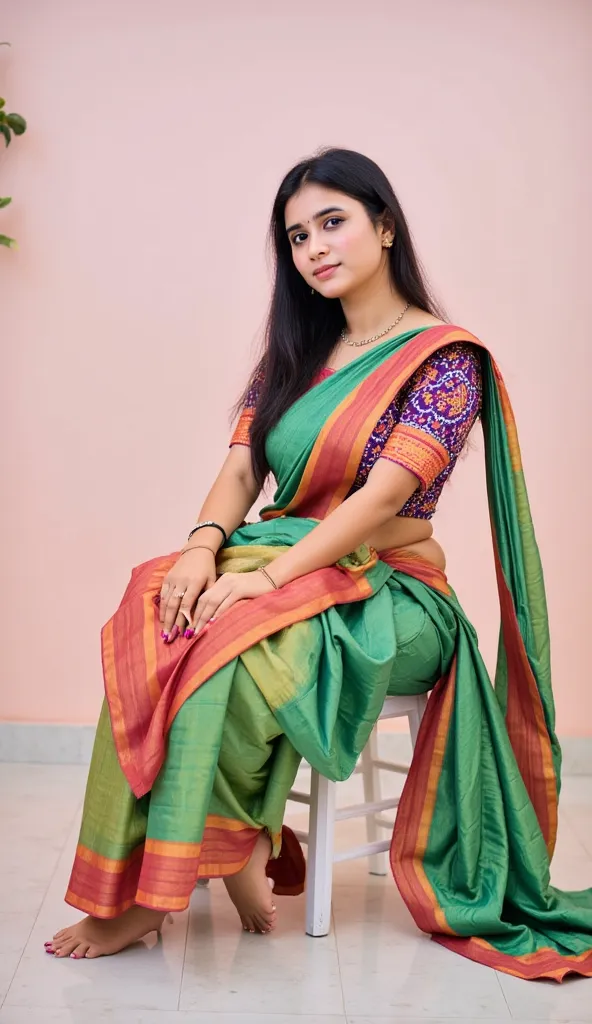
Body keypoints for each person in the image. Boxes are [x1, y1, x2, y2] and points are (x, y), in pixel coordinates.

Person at [47, 148, 592, 980]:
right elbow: (240, 471)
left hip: (393, 596)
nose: (314, 247)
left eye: (332, 222)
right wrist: (202, 551)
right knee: (163, 615)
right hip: (281, 559)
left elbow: (383, 503)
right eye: (297, 235)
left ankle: (194, 872)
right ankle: (219, 850)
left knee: (238, 643)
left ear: (384, 224)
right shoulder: (296, 353)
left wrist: (266, 579)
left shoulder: (444, 361)